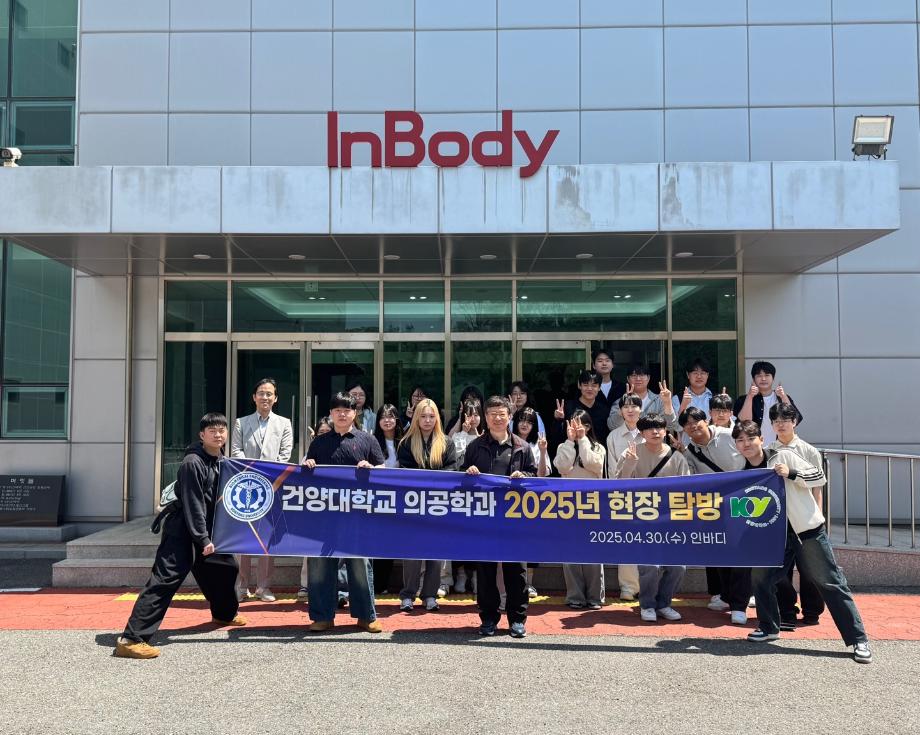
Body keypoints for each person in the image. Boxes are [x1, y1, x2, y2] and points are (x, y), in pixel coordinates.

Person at [732, 415, 872, 664]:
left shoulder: (782, 456)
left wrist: (792, 473)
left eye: (751, 438)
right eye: (740, 440)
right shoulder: (742, 472)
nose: (746, 444)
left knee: (830, 582)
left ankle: (858, 639)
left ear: (761, 439)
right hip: (772, 536)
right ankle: (769, 627)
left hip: (806, 530)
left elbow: (819, 476)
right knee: (761, 579)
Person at [114, 413, 245, 659]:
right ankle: (131, 639)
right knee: (164, 580)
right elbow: (193, 504)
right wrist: (203, 539)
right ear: (202, 435)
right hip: (182, 530)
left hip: (207, 530)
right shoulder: (192, 463)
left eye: (222, 430)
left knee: (227, 568)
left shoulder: (221, 461)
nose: (218, 435)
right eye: (212, 431)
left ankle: (224, 614)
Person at [301, 392, 385, 633]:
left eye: (347, 410)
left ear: (354, 413)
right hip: (323, 516)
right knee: (320, 565)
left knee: (360, 565)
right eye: (337, 410)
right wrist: (308, 465)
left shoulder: (367, 440)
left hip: (358, 515)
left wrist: (372, 468)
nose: (342, 414)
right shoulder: (319, 442)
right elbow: (305, 472)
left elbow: (383, 469)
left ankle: (366, 616)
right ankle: (322, 616)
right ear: (331, 413)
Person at [463, 395, 537, 638]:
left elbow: (534, 477)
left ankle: (517, 619)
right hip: (484, 519)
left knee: (516, 572)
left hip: (515, 520)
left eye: (501, 414)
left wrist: (524, 476)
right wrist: (469, 473)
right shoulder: (475, 447)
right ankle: (488, 618)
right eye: (492, 414)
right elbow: (461, 480)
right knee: (485, 572)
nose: (497, 418)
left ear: (509, 416)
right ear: (485, 417)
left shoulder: (522, 447)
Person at [677, 406, 751, 624]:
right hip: (714, 506)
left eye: (696, 421)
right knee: (718, 550)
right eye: (687, 424)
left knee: (740, 553)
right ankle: (724, 595)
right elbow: (691, 479)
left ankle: (739, 604)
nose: (693, 426)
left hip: (742, 500)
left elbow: (753, 454)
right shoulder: (690, 451)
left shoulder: (729, 435)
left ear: (706, 420)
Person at [615, 413, 690, 623]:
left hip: (671, 520)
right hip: (642, 519)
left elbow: (687, 489)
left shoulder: (676, 457)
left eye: (659, 428)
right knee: (650, 566)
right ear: (641, 432)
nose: (655, 432)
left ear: (665, 431)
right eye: (649, 428)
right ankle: (647, 604)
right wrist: (630, 464)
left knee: (678, 566)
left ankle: (664, 603)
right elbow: (618, 486)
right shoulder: (630, 452)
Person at [230, 378, 294, 603]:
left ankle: (263, 587)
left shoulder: (284, 423)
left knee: (267, 538)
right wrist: (251, 472)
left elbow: (285, 454)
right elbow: (236, 451)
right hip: (246, 486)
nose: (265, 397)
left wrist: (267, 475)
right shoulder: (241, 423)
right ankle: (241, 586)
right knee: (244, 538)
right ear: (254, 397)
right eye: (261, 393)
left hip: (272, 487)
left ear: (275, 398)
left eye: (269, 394)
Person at [396, 398, 458, 612]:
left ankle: (430, 594)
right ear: (416, 418)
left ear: (437, 419)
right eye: (423, 416)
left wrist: (431, 480)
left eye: (431, 416)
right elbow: (405, 471)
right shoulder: (406, 443)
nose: (427, 420)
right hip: (413, 504)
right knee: (412, 553)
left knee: (436, 552)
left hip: (438, 504)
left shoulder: (446, 442)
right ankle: (408, 595)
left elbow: (452, 469)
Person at [768, 401, 825, 627]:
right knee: (780, 571)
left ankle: (812, 611)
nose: (780, 424)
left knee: (810, 569)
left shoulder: (809, 450)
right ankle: (787, 612)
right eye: (776, 421)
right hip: (779, 520)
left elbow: (817, 487)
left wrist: (818, 516)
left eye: (785, 420)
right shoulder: (769, 450)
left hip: (806, 519)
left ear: (794, 422)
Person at [554, 409, 606, 610]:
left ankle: (595, 596)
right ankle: (575, 596)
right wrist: (570, 442)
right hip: (568, 505)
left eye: (580, 424)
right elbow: (562, 467)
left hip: (592, 504)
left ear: (588, 426)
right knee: (570, 553)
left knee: (594, 552)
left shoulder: (598, 447)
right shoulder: (563, 446)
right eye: (573, 424)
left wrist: (583, 440)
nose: (576, 428)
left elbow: (594, 465)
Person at [605, 392, 644, 601]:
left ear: (641, 409)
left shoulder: (649, 432)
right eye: (626, 406)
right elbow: (612, 469)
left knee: (648, 540)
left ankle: (647, 585)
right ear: (620, 411)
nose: (630, 410)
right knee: (627, 540)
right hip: (623, 494)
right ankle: (628, 587)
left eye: (634, 406)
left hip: (648, 494)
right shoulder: (613, 437)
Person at [513, 406, 552, 598]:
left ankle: (529, 583)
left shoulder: (538, 445)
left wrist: (543, 452)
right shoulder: (509, 442)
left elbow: (542, 474)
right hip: (510, 500)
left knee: (531, 541)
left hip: (532, 501)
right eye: (521, 420)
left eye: (529, 422)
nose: (524, 424)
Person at [297, 416, 333, 602]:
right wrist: (307, 465)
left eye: (328, 432)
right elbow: (300, 476)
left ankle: (335, 587)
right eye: (321, 432)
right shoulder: (312, 451)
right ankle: (306, 584)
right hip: (316, 506)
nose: (324, 435)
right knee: (311, 547)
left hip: (339, 507)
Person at [370, 404, 403, 595]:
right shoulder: (372, 440)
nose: (387, 420)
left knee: (390, 541)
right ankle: (374, 583)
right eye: (383, 417)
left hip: (399, 498)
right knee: (376, 540)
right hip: (377, 498)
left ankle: (383, 583)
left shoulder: (405, 441)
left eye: (391, 416)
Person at [733, 361, 803, 448]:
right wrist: (750, 396)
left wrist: (783, 396)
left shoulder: (782, 398)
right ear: (754, 379)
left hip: (781, 447)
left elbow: (796, 419)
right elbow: (744, 422)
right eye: (759, 376)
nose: (763, 379)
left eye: (767, 375)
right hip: (754, 448)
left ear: (773, 378)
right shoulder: (743, 399)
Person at [553, 369, 611, 449]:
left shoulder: (604, 410)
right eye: (586, 385)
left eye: (594, 385)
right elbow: (557, 437)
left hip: (597, 453)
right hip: (573, 453)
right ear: (579, 385)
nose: (589, 388)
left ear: (599, 387)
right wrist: (558, 420)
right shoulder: (568, 407)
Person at [607, 366, 674, 431]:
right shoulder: (619, 402)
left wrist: (668, 403)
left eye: (642, 375)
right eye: (634, 375)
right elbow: (612, 426)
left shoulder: (659, 400)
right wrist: (624, 404)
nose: (638, 379)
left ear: (648, 378)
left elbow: (670, 426)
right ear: (628, 379)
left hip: (653, 438)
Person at [591, 349, 626, 415]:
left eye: (607, 360)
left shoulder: (622, 387)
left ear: (612, 365)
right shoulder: (588, 388)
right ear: (594, 365)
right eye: (600, 361)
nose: (604, 363)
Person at [450, 397, 484, 465]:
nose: (473, 419)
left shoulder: (485, 436)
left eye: (476, 415)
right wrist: (464, 433)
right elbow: (456, 455)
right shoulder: (457, 436)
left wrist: (481, 441)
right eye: (469, 415)